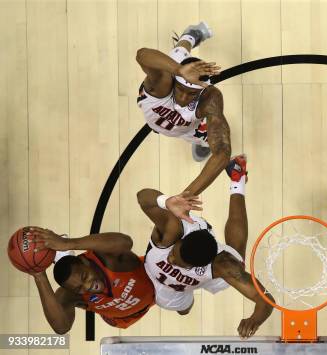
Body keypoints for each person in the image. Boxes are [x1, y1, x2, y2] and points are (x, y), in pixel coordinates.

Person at [137, 155, 273, 339]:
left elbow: (265, 300)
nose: (170, 259)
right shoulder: (171, 231)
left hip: (201, 274)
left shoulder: (223, 265)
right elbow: (143, 197)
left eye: (177, 262)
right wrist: (165, 201)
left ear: (197, 266)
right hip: (163, 279)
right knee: (182, 309)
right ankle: (237, 176)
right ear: (180, 241)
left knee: (237, 258)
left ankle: (237, 181)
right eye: (174, 253)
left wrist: (255, 319)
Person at [136, 22, 231, 216]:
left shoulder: (210, 97)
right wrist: (179, 70)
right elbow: (141, 55)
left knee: (208, 140)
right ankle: (191, 35)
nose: (185, 98)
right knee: (179, 53)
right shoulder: (164, 83)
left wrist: (185, 196)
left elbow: (222, 153)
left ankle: (201, 143)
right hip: (171, 85)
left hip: (187, 128)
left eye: (192, 94)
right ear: (175, 83)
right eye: (182, 90)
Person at [28, 228, 155, 333]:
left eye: (84, 277)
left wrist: (68, 243)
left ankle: (65, 253)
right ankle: (63, 258)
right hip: (121, 318)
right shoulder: (70, 293)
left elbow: (126, 242)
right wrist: (40, 277)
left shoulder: (107, 257)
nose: (88, 286)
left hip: (155, 284)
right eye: (79, 288)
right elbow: (61, 328)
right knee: (74, 287)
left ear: (85, 261)